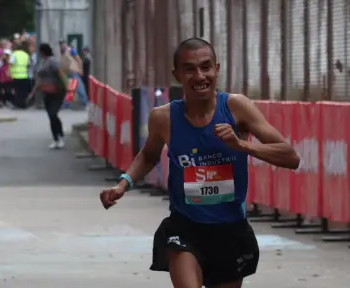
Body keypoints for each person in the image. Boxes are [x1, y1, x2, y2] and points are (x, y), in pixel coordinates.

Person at [99, 38, 300, 288]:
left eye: (206, 67)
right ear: (177, 75)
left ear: (217, 69)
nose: (199, 76)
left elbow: (290, 157)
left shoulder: (237, 107)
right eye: (190, 69)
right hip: (184, 229)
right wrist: (123, 184)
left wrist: (242, 145)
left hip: (230, 231)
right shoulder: (163, 117)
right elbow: (149, 155)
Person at [27, 43, 71, 149]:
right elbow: (39, 80)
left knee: (53, 113)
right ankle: (56, 138)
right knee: (51, 116)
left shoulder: (52, 61)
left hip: (57, 91)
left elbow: (60, 73)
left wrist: (67, 86)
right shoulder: (42, 63)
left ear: (43, 51)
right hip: (46, 92)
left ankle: (60, 136)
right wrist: (33, 92)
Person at [59, 40, 88, 107]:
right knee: (69, 89)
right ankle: (66, 104)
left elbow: (79, 60)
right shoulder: (62, 52)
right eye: (60, 45)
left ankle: (85, 102)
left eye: (62, 44)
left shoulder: (71, 50)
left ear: (65, 44)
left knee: (79, 88)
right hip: (68, 73)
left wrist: (80, 70)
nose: (61, 46)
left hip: (74, 72)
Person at [10, 42, 30, 108]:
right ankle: (23, 105)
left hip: (16, 75)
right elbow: (28, 64)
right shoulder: (26, 55)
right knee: (24, 91)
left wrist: (10, 73)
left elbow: (11, 64)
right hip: (24, 75)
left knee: (17, 91)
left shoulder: (14, 54)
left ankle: (17, 104)